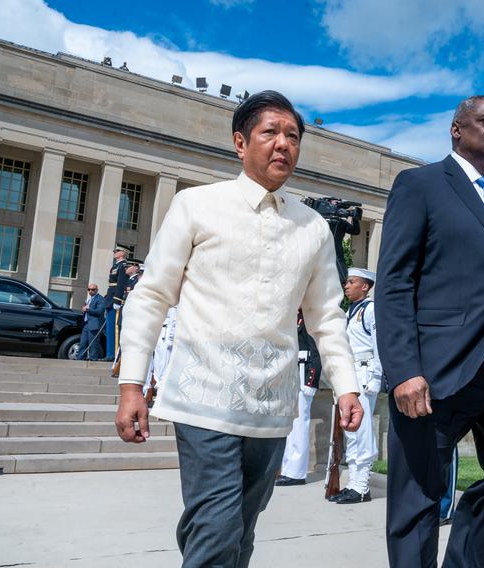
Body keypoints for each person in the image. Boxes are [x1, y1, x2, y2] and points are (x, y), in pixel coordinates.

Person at [114, 90, 364, 568]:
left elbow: (327, 317)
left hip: (271, 404)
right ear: (239, 142)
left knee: (240, 525)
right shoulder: (197, 206)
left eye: (292, 136)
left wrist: (347, 387)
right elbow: (150, 296)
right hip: (203, 394)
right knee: (218, 526)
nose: (283, 145)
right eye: (270, 132)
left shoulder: (311, 227)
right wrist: (131, 385)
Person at [376, 95, 484, 568]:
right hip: (436, 370)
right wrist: (404, 369)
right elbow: (393, 283)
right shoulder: (421, 185)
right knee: (418, 496)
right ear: (456, 129)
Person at [328, 267, 382, 504]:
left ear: (365, 286)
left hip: (364, 372)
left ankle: (361, 486)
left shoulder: (370, 310)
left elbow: (378, 345)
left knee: (361, 431)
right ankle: (353, 483)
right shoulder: (351, 311)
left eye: (352, 282)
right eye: (346, 282)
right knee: (351, 432)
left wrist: (376, 377)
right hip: (352, 373)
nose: (346, 286)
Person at [276, 309, 323, 486]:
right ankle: (287, 469)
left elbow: (315, 350)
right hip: (292, 373)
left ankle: (296, 473)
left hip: (304, 374)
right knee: (290, 425)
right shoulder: (292, 317)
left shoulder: (309, 318)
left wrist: (311, 381)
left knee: (299, 424)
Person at [144, 306, 177, 402]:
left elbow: (174, 319)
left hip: (165, 334)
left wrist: (171, 338)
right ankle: (149, 390)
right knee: (152, 363)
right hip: (155, 331)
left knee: (162, 365)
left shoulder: (172, 301)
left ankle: (160, 393)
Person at [104, 245, 129, 361]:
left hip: (115, 299)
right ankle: (109, 353)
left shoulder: (123, 266)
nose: (114, 252)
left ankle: (115, 354)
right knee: (110, 329)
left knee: (116, 329)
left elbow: (121, 284)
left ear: (123, 253)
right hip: (110, 299)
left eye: (117, 251)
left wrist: (117, 300)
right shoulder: (115, 266)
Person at [78, 283, 106, 361]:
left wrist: (88, 309)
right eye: (89, 289)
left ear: (97, 290)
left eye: (93, 289)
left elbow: (100, 311)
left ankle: (93, 360)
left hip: (95, 325)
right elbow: (86, 310)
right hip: (86, 324)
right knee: (82, 343)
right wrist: (84, 310)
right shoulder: (89, 299)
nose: (91, 291)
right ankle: (80, 358)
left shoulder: (100, 299)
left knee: (93, 344)